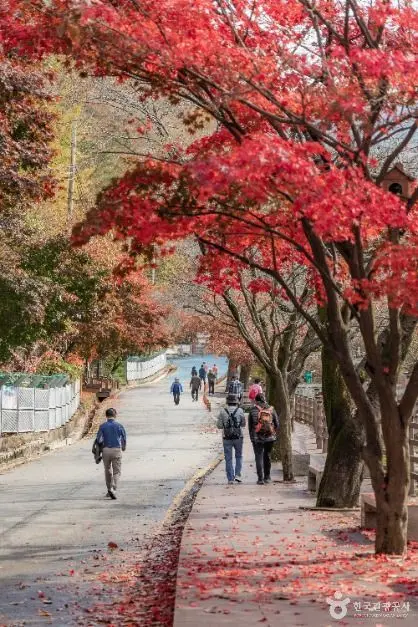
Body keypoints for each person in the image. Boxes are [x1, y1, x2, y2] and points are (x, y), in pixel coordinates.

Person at [94, 408, 126, 500]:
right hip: (116, 449)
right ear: (115, 415)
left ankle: (109, 489)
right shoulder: (119, 426)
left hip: (106, 450)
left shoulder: (102, 426)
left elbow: (99, 440)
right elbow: (123, 438)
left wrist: (98, 452)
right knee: (117, 471)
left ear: (106, 416)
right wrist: (123, 447)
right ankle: (113, 488)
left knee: (107, 470)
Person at [248, 393, 279, 485]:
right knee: (267, 456)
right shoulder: (271, 409)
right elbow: (277, 424)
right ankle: (267, 477)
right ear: (265, 399)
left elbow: (250, 426)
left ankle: (260, 479)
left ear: (256, 401)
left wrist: (252, 437)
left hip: (257, 438)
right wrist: (272, 432)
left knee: (258, 457)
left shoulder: (253, 410)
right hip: (270, 438)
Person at [217, 393, 246, 484]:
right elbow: (243, 424)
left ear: (227, 402)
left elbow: (219, 426)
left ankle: (230, 478)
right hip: (238, 437)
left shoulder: (222, 411)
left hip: (226, 437)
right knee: (239, 456)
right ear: (236, 402)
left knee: (228, 458)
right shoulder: (240, 410)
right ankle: (238, 475)